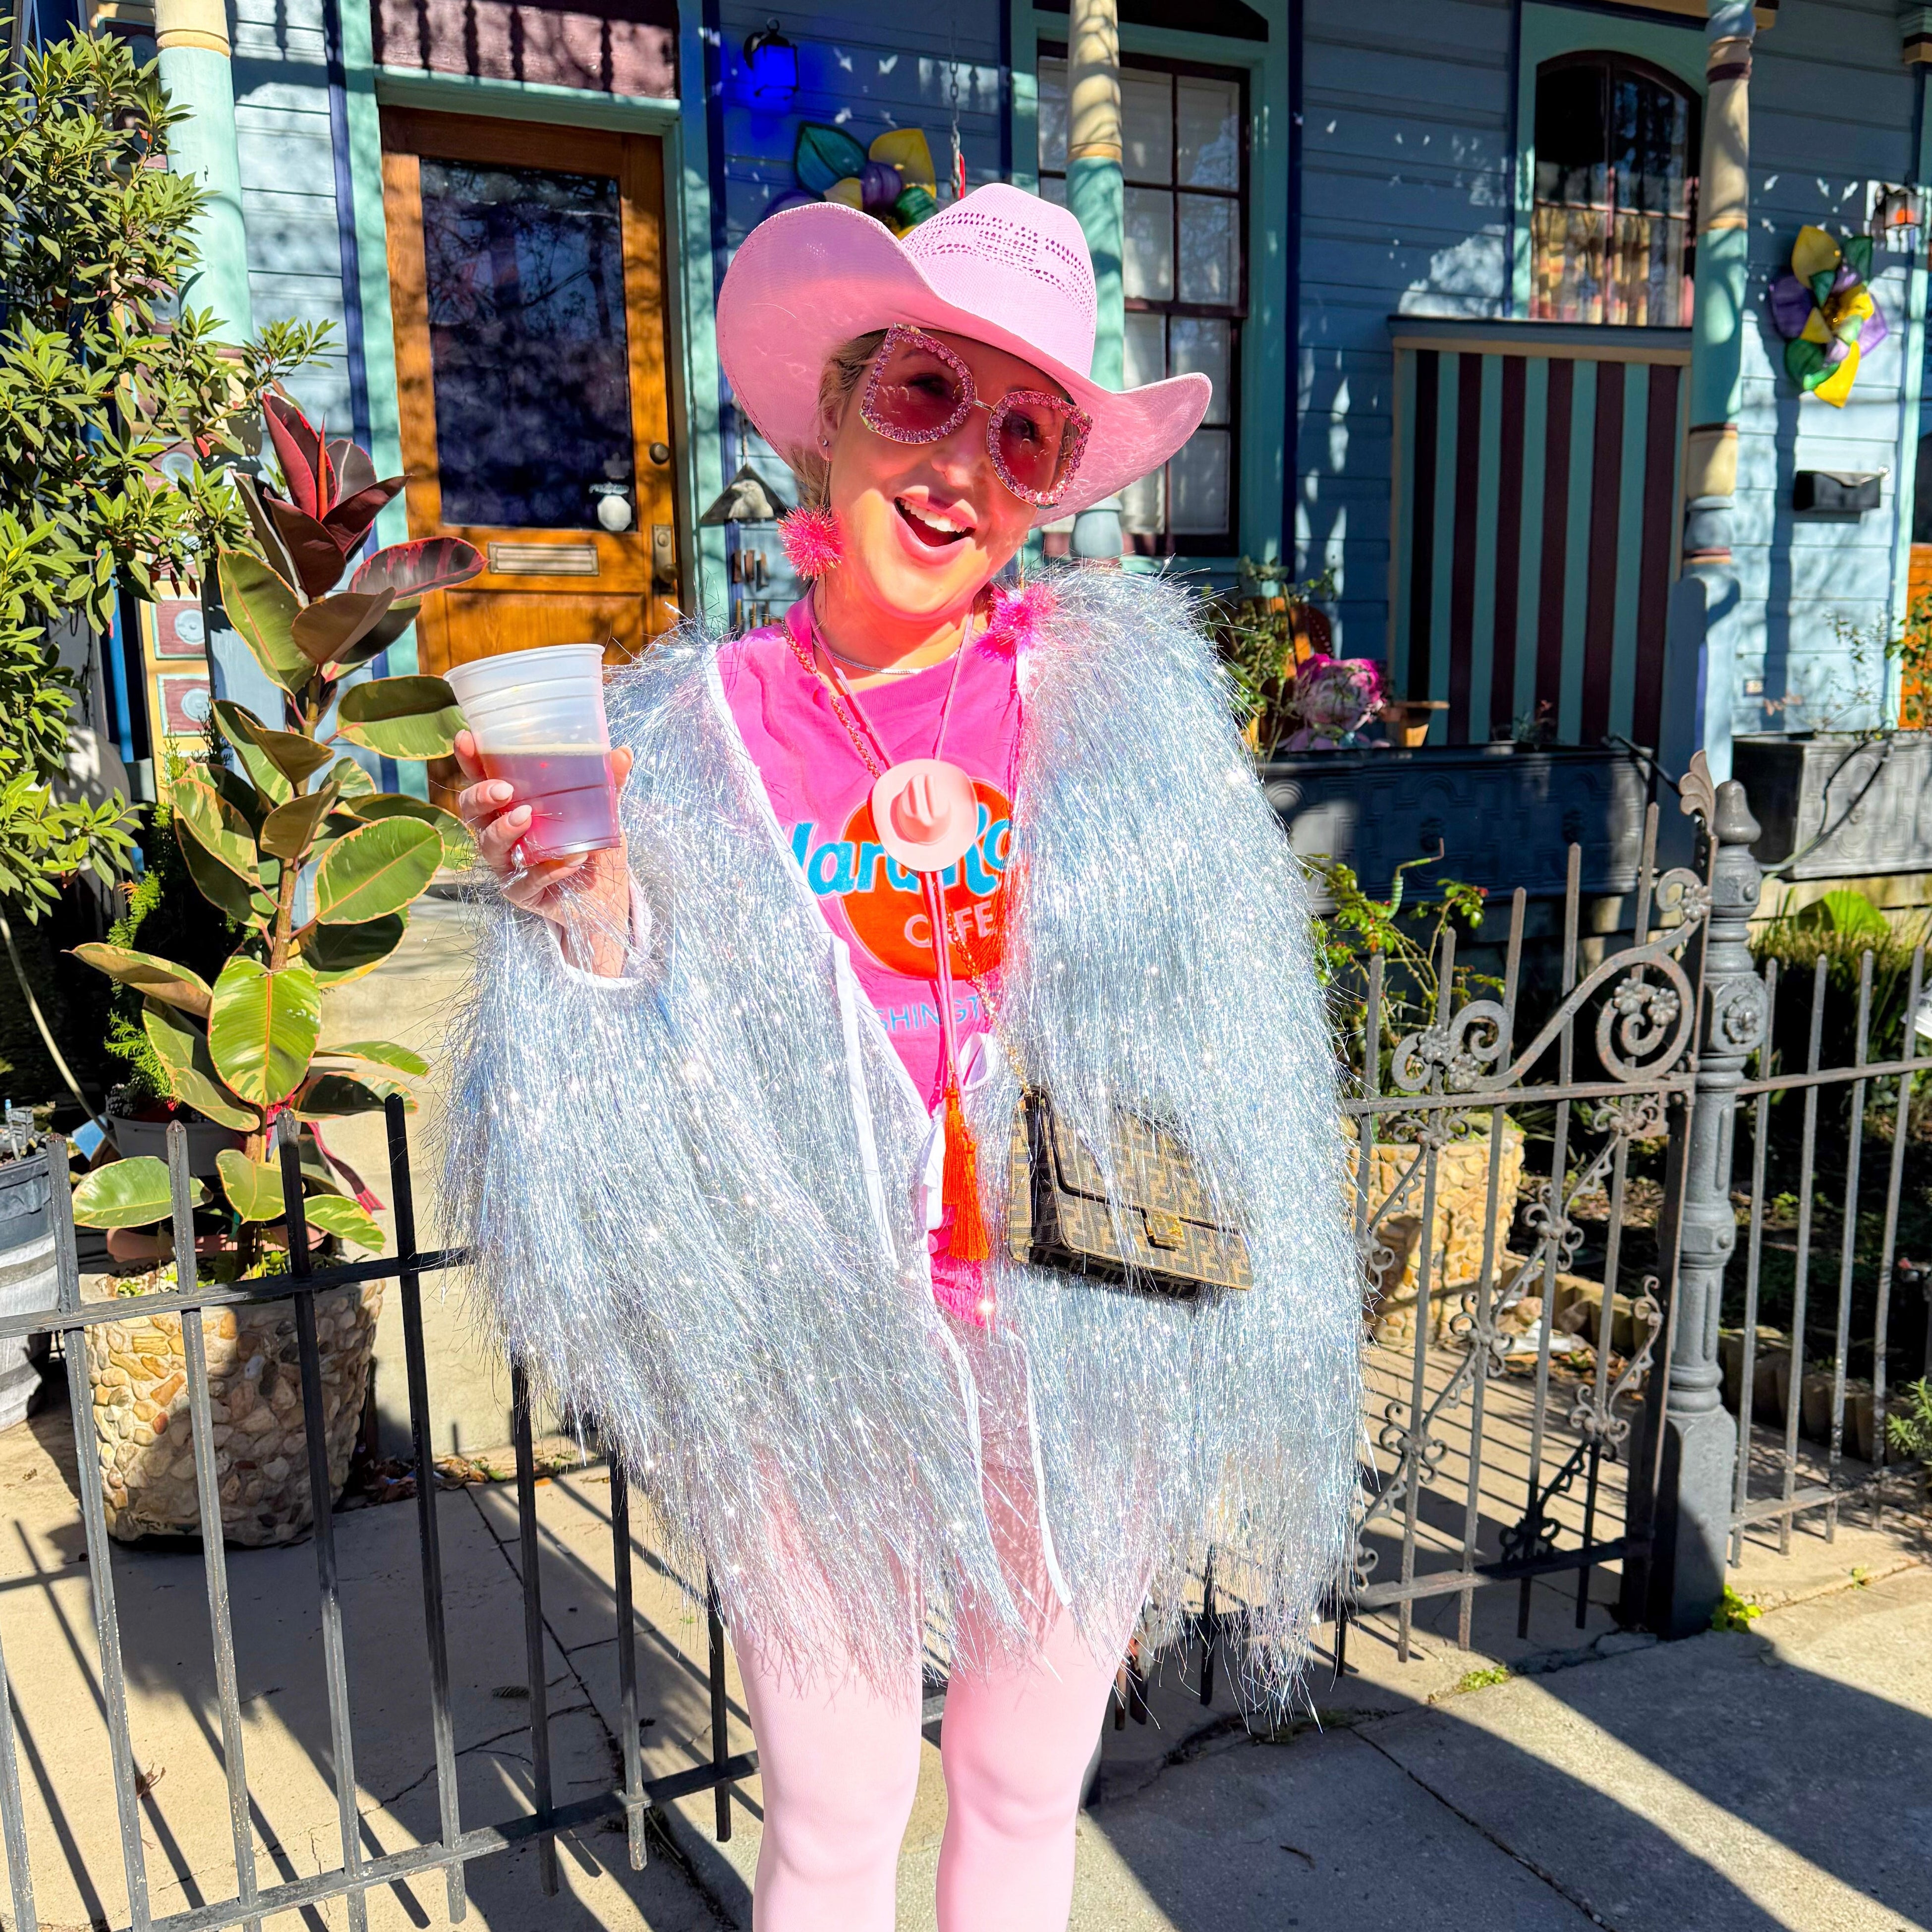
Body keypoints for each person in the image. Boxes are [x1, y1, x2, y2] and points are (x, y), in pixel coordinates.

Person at [446, 183, 1360, 1932]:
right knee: (836, 1805)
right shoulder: (686, 733)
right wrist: (585, 909)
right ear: (833, 408)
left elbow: (1226, 1032)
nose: (960, 468)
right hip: (814, 1333)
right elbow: (617, 1085)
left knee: (1019, 1787)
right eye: (925, 392)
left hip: (1078, 1316)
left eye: (1023, 434)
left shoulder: (1116, 711)